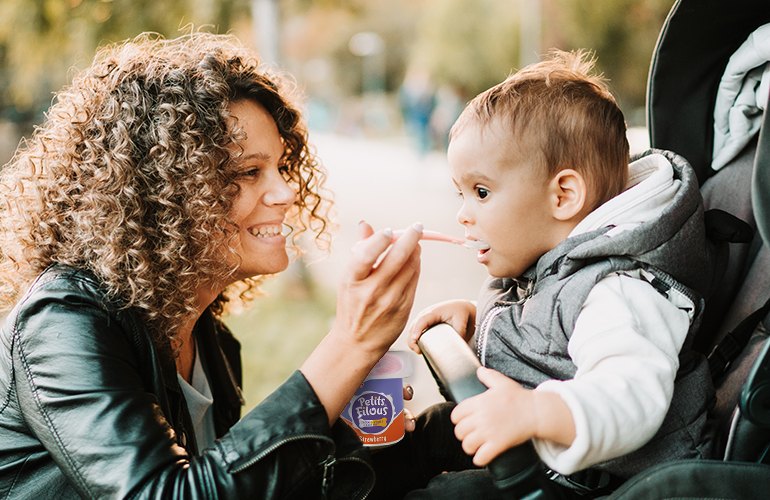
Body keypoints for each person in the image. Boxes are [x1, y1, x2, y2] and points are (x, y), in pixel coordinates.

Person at [0, 32, 424, 499]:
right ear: (164, 193)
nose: (286, 193)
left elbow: (240, 486)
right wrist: (349, 345)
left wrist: (437, 435)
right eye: (249, 172)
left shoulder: (207, 339)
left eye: (281, 168)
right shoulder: (63, 322)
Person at [374, 49, 716, 498]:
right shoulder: (549, 263)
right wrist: (476, 323)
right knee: (436, 430)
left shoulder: (621, 290)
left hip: (600, 481)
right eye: (460, 193)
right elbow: (547, 338)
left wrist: (535, 413)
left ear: (563, 196)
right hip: (547, 457)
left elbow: (629, 398)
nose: (463, 214)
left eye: (480, 192)